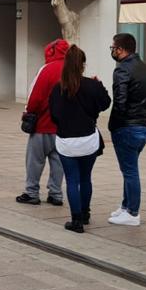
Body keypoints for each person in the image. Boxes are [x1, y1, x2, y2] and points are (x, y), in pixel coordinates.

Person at [49, 46, 111, 233]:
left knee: (72, 179)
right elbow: (106, 103)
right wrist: (99, 85)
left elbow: (54, 116)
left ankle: (76, 220)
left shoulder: (58, 88)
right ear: (83, 65)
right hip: (88, 140)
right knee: (86, 178)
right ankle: (85, 213)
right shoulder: (92, 85)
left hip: (66, 141)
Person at [107, 33, 146, 227]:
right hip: (144, 126)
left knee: (129, 171)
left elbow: (120, 102)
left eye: (113, 47)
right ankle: (125, 206)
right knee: (130, 168)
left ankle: (133, 212)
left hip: (126, 127)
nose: (112, 51)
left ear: (120, 49)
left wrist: (117, 125)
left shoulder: (122, 71)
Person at [19, 40, 70, 207]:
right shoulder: (72, 70)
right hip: (63, 128)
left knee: (34, 160)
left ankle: (31, 192)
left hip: (42, 125)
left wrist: (29, 112)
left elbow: (35, 97)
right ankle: (56, 194)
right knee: (58, 162)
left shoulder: (47, 69)